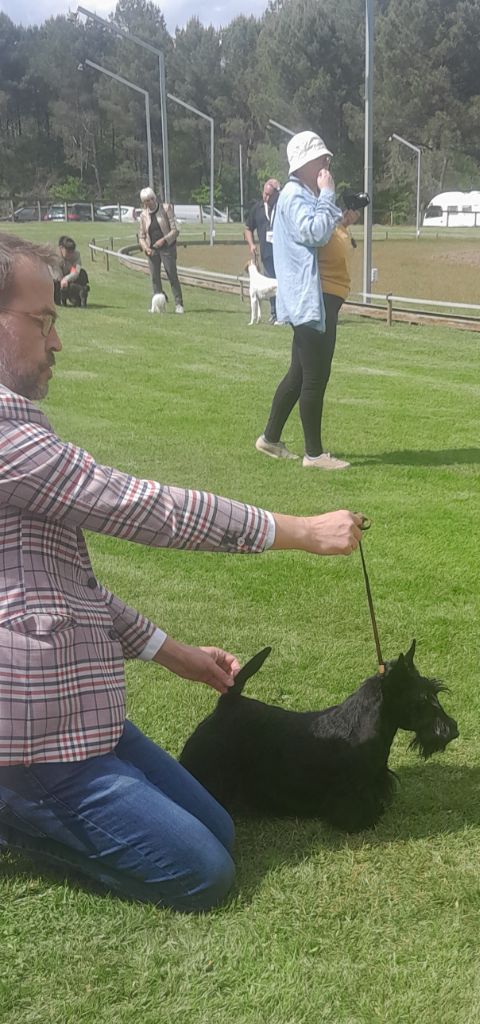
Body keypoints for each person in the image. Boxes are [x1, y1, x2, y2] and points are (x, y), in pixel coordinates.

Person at [0, 233, 364, 912]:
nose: (57, 343)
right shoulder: (7, 441)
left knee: (220, 830)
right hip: (32, 748)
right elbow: (148, 509)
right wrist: (302, 531)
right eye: (42, 320)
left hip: (83, 720)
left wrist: (179, 657)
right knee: (202, 874)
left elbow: (70, 591)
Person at [255, 131, 350, 471]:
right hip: (312, 299)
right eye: (321, 159)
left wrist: (336, 211)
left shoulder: (303, 194)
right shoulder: (296, 195)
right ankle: (314, 454)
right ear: (305, 164)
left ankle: (269, 438)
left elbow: (321, 231)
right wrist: (327, 194)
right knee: (315, 376)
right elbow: (314, 232)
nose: (326, 164)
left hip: (317, 298)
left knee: (298, 374)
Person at [137, 187, 184, 314]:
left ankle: (179, 304)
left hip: (167, 248)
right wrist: (146, 248)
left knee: (172, 275)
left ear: (154, 198)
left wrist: (163, 240)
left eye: (151, 199)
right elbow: (141, 236)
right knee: (155, 278)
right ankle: (157, 305)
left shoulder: (166, 209)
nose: (149, 202)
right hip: (152, 250)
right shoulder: (143, 215)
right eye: (146, 201)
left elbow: (175, 230)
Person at [244, 178, 281, 323]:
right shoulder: (257, 208)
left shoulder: (281, 207)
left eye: (269, 195)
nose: (266, 197)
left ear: (276, 195)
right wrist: (251, 244)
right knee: (270, 286)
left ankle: (285, 314)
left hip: (282, 254)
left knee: (282, 284)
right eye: (264, 194)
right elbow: (247, 229)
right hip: (266, 253)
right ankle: (274, 313)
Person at [54, 235, 88, 307]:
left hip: (71, 280)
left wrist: (66, 279)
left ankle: (76, 297)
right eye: (68, 251)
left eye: (72, 251)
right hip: (57, 280)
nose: (70, 254)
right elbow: (56, 273)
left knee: (82, 273)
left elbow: (76, 271)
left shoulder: (77, 255)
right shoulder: (54, 256)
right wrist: (62, 280)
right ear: (61, 248)